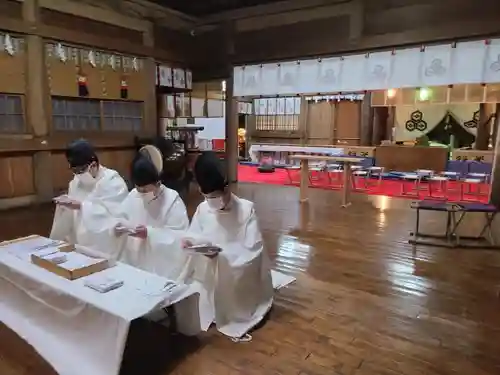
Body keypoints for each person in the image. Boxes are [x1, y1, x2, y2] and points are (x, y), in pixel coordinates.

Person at [181, 152, 274, 342]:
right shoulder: (202, 209)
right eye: (211, 197)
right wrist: (191, 244)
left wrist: (222, 257)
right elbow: (194, 236)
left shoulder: (246, 209)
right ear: (201, 191)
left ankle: (232, 309)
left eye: (221, 195)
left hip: (237, 278)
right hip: (210, 273)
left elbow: (253, 253)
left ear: (227, 188)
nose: (219, 201)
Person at [111, 156, 191, 281]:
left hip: (162, 265)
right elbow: (121, 217)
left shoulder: (172, 200)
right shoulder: (134, 195)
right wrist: (119, 227)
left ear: (158, 183)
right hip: (136, 261)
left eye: (146, 190)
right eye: (139, 189)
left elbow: (179, 237)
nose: (142, 193)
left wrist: (150, 233)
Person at [49, 139, 129, 249]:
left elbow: (115, 218)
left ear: (93, 165)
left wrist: (81, 206)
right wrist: (65, 207)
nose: (78, 174)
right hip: (80, 244)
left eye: (81, 170)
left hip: (106, 247)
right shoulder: (75, 183)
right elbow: (71, 219)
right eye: (74, 171)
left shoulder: (112, 181)